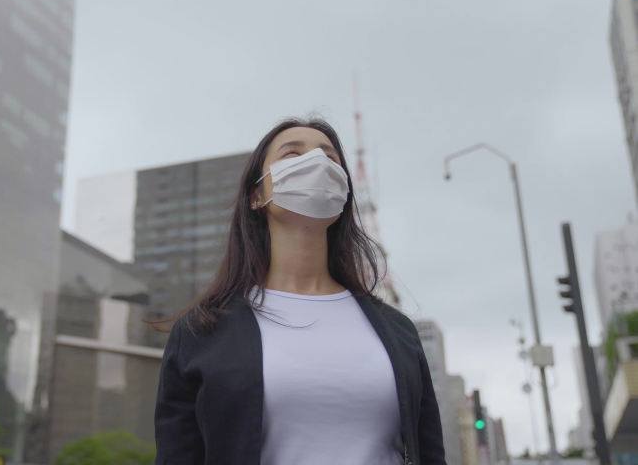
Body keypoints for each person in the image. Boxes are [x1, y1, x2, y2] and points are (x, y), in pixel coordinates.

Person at [153, 117, 445, 465]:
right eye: (293, 153)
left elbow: (429, 452)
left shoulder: (399, 331)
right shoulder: (202, 330)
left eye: (330, 157)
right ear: (256, 196)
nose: (317, 163)